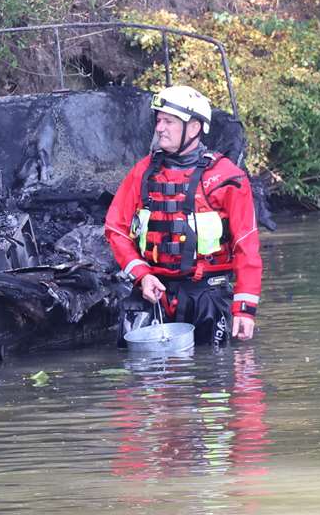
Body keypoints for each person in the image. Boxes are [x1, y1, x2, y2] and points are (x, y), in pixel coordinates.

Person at [103, 85, 263, 346]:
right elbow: (116, 230)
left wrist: (244, 308)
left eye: (169, 121)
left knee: (215, 376)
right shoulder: (143, 172)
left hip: (207, 296)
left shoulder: (226, 177)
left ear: (194, 127)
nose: (160, 128)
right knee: (142, 377)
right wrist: (142, 275)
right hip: (153, 291)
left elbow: (246, 244)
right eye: (158, 120)